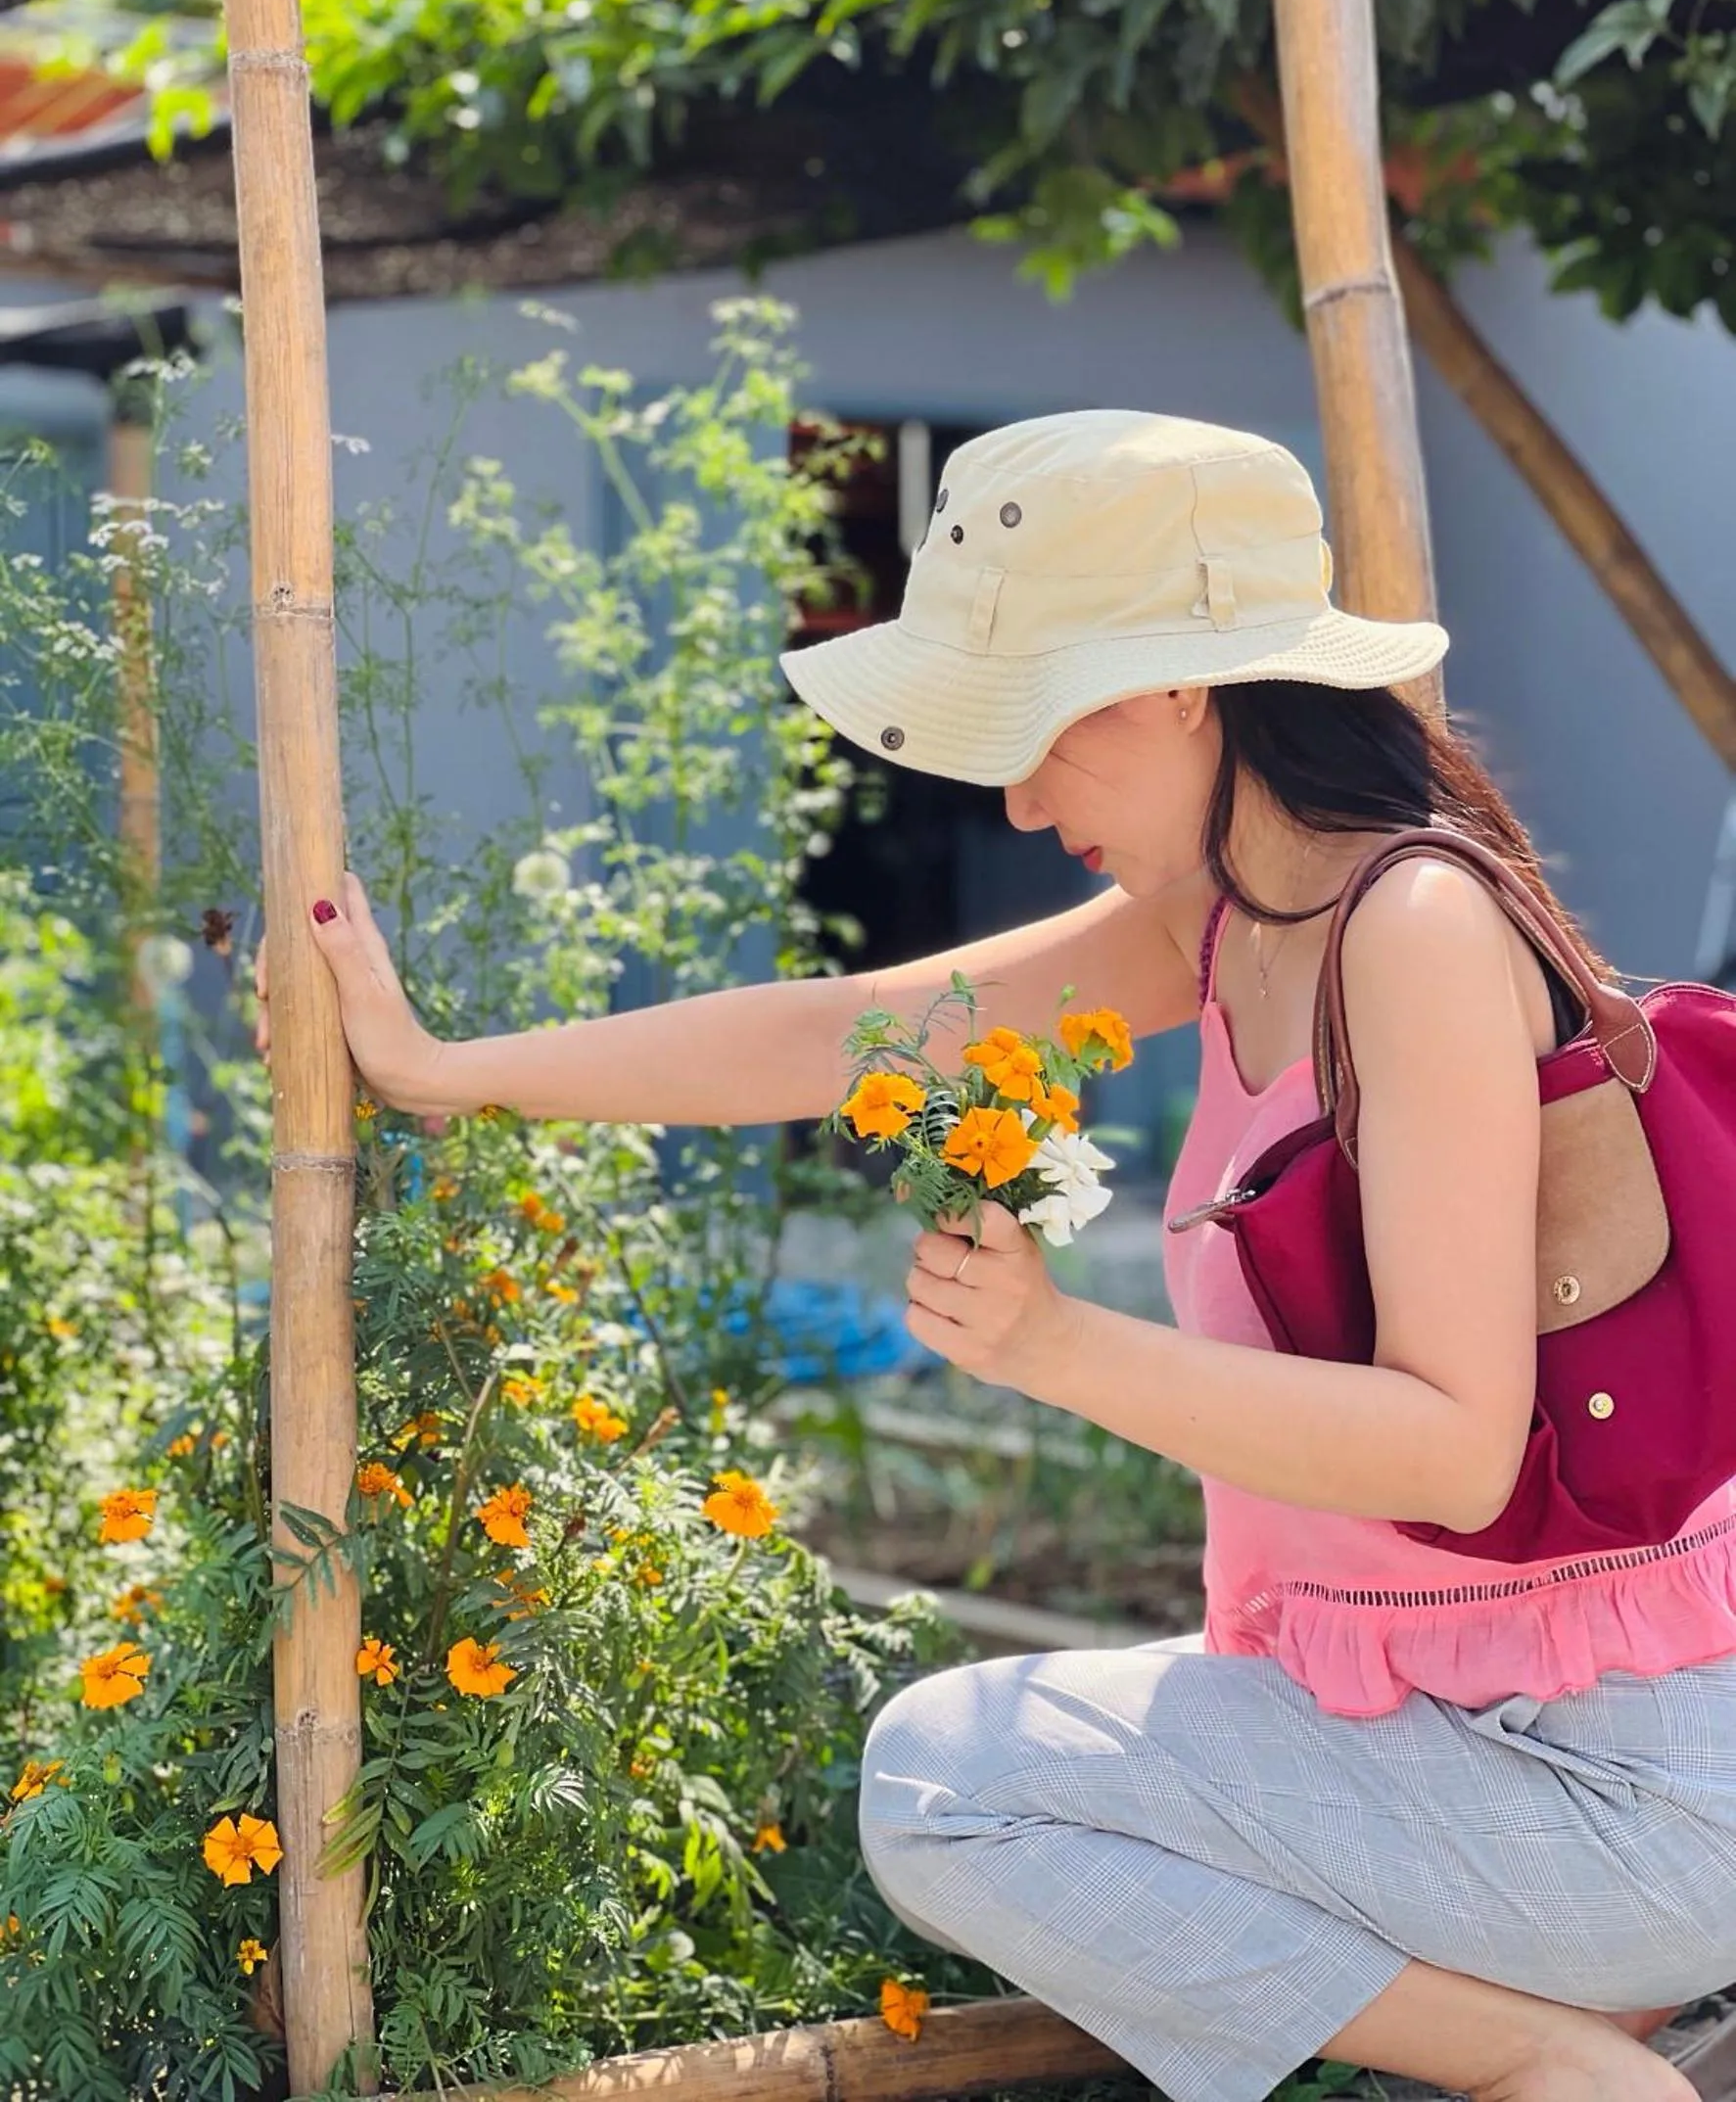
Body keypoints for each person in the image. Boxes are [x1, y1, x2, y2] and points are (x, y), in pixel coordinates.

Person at [255, 411, 1736, 2102]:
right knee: (953, 1785)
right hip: (1447, 1729)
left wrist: (1058, 1347)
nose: (1024, 805)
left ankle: (1563, 2065)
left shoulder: (1410, 928)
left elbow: (1457, 1447)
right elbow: (850, 1037)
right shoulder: (1233, 915)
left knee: (956, 1784)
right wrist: (450, 1072)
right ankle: (1572, 2043)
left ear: (1187, 683)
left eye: (1039, 731)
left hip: (1617, 1781)